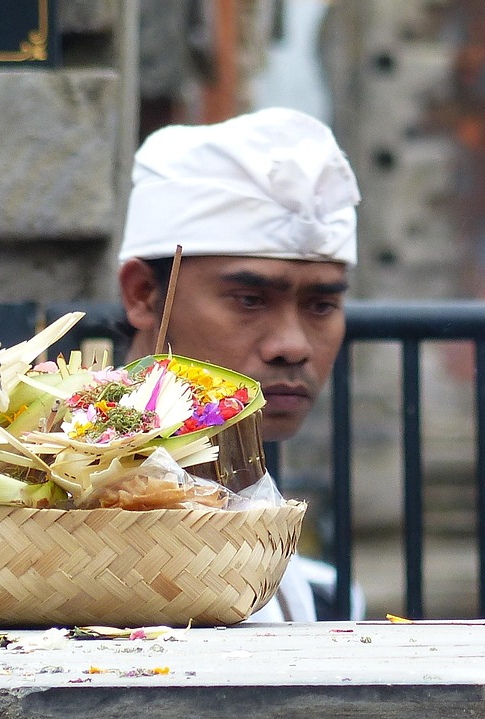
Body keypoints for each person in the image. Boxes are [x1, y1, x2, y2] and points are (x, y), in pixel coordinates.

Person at [115, 107, 363, 622]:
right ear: (143, 295)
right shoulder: (46, 524)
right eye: (249, 300)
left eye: (322, 306)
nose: (292, 346)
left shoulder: (313, 588)